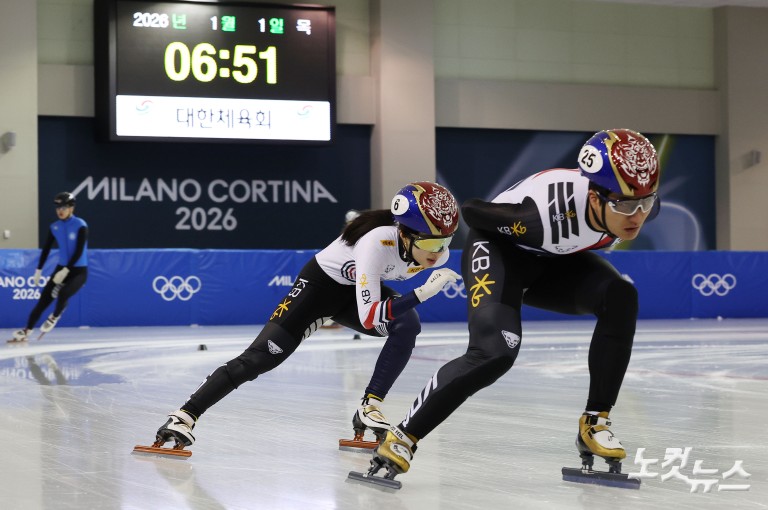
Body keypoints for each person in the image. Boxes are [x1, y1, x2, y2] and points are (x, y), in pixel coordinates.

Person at [370, 129, 661, 479]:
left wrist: (635, 203)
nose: (637, 215)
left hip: (551, 260)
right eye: (625, 205)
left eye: (646, 203)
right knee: (494, 354)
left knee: (620, 297)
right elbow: (472, 211)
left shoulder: (635, 201)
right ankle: (403, 436)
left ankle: (595, 423)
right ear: (594, 197)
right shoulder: (543, 216)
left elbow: (632, 206)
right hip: (500, 252)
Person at [150, 182, 461, 452]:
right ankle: (184, 415)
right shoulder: (377, 242)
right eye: (432, 242)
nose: (438, 253)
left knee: (407, 323)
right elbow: (369, 319)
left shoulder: (433, 251)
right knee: (260, 358)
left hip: (353, 292)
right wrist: (421, 294)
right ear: (404, 233)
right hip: (319, 288)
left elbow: (373, 304)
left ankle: (370, 408)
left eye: (446, 242)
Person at [10, 192, 89, 343]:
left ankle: (55, 316)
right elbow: (46, 249)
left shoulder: (80, 225)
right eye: (58, 207)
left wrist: (67, 270)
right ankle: (27, 330)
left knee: (63, 294)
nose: (60, 211)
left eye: (64, 207)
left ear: (71, 208)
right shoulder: (54, 227)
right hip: (61, 269)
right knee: (43, 300)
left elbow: (79, 251)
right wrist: (38, 270)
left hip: (78, 271)